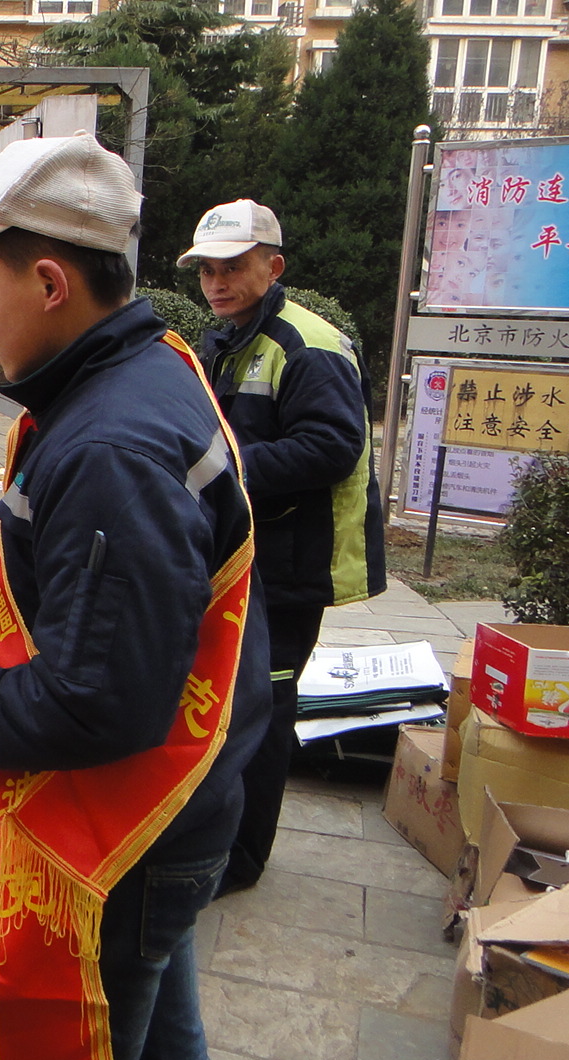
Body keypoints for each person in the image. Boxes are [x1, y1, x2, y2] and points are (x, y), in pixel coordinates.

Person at [0, 134, 270, 1060]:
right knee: (163, 1047)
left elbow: (95, 701)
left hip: (128, 828)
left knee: (101, 1037)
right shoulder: (142, 370)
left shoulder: (110, 445)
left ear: (48, 283)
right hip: (178, 804)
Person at [180, 200, 386, 895]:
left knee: (262, 711)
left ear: (275, 266)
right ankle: (215, 840)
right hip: (242, 554)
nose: (217, 282)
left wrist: (222, 473)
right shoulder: (224, 338)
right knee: (227, 702)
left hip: (293, 562)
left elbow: (331, 447)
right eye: (207, 270)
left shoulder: (309, 344)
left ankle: (241, 861)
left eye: (233, 267)